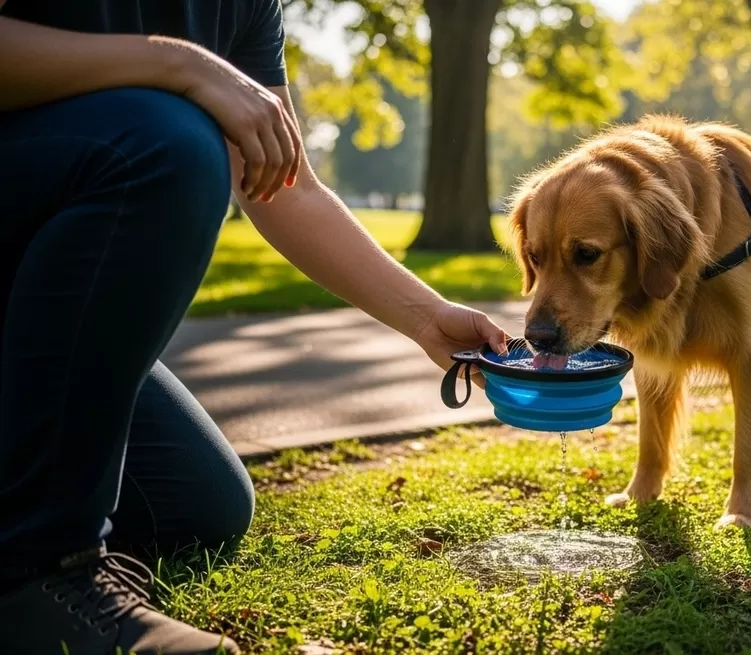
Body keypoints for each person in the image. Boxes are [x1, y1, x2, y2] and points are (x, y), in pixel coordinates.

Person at [0, 1, 510, 652]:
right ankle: (33, 576)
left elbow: (283, 183)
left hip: (33, 308)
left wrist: (428, 317)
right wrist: (177, 64)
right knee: (167, 141)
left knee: (196, 511)